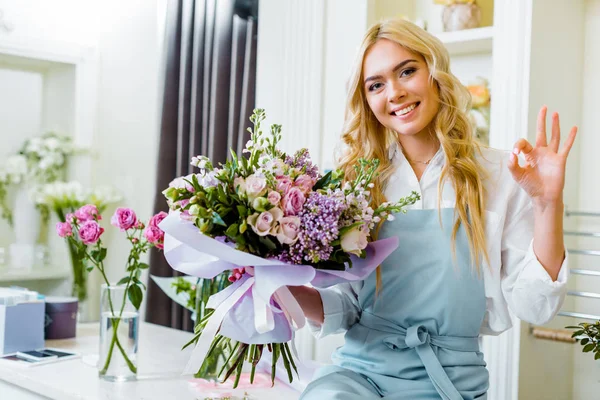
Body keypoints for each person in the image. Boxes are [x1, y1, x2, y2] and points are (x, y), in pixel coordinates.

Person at [287, 17, 577, 400]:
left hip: (449, 381)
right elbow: (348, 307)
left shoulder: (503, 175)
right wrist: (278, 288)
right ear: (367, 101)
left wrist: (547, 204)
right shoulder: (353, 183)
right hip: (360, 375)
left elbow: (536, 307)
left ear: (434, 72)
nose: (394, 93)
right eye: (376, 85)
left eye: (407, 71)